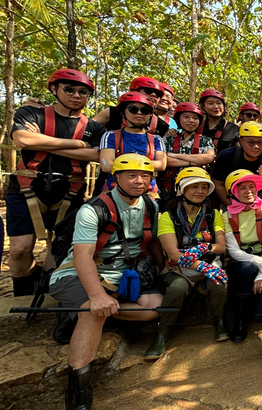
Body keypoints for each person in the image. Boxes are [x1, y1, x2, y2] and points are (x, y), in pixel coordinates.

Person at [49, 154, 164, 410]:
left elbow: (152, 241)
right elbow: (82, 257)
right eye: (131, 175)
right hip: (79, 272)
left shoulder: (151, 206)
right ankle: (78, 392)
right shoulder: (94, 209)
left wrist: (163, 267)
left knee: (153, 307)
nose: (138, 181)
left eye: (145, 175)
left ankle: (78, 312)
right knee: (92, 312)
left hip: (125, 275)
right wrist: (97, 296)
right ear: (116, 178)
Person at [8, 69, 105, 295]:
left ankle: (47, 293)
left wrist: (41, 142)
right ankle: (24, 292)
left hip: (69, 190)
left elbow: (96, 155)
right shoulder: (33, 113)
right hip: (27, 187)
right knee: (20, 249)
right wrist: (76, 145)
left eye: (83, 92)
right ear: (54, 89)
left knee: (57, 249)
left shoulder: (93, 128)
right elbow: (22, 139)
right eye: (69, 89)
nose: (76, 95)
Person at [145, 167, 228, 361]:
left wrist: (204, 248)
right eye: (193, 187)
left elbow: (221, 246)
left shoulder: (213, 214)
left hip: (207, 264)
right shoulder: (168, 217)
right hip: (178, 269)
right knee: (177, 287)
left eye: (203, 187)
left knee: (220, 282)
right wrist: (201, 265)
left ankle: (220, 321)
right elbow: (173, 254)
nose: (199, 191)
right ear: (181, 189)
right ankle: (163, 333)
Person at [223, 169, 262, 370]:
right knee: (245, 268)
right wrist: (260, 266)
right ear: (233, 192)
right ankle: (245, 318)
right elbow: (233, 251)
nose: (248, 191)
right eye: (241, 187)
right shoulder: (225, 216)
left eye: (251, 186)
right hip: (245, 261)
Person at [98, 93, 167, 198]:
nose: (139, 113)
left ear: (150, 115)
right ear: (123, 112)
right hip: (114, 190)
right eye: (133, 109)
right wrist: (145, 165)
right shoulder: (110, 136)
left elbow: (161, 164)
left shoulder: (156, 139)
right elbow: (106, 164)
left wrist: (122, 163)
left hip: (148, 193)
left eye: (145, 111)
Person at [212, 122, 262, 207]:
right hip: (233, 199)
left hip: (261, 199)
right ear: (241, 141)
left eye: (260, 142)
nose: (256, 146)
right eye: (251, 142)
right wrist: (233, 206)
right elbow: (218, 184)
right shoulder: (227, 156)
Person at [158, 102, 216, 207]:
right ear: (178, 119)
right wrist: (196, 161)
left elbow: (208, 157)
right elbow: (164, 160)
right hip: (170, 190)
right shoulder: (169, 138)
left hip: (197, 190)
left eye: (195, 118)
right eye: (186, 117)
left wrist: (175, 156)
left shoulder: (205, 140)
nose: (191, 121)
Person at [92, 76, 169, 136]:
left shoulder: (161, 125)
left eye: (158, 94)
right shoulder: (112, 113)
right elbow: (89, 129)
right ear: (134, 91)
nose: (153, 95)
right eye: (148, 91)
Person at [198, 89, 240, 155]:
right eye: (210, 103)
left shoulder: (234, 129)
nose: (216, 107)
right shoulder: (197, 126)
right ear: (203, 106)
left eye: (219, 103)